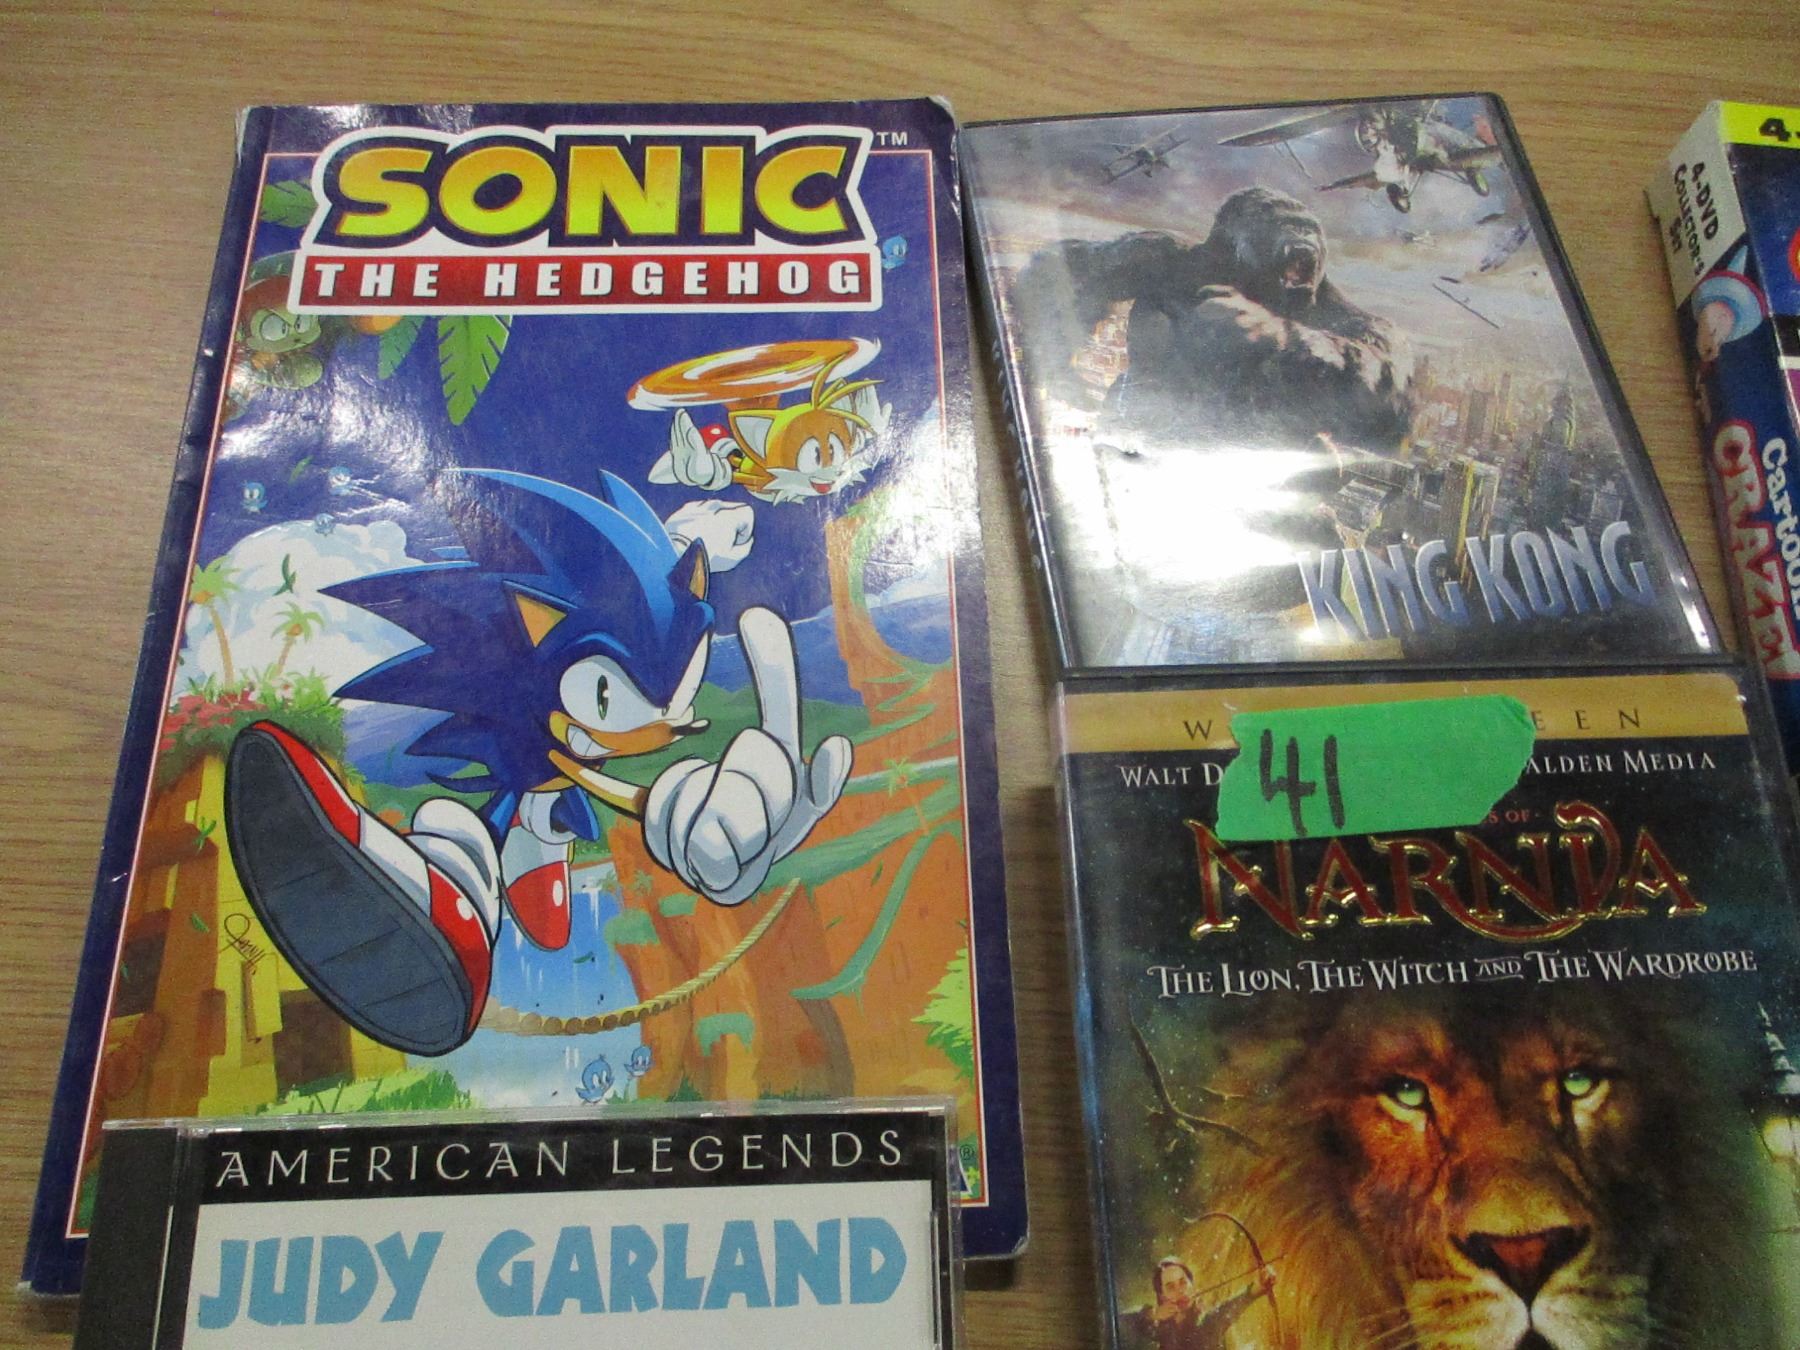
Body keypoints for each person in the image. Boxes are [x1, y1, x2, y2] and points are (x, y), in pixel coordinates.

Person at [1119, 1256, 1275, 1350]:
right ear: (1162, 1296)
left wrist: (1258, 1288)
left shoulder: (1209, 1322)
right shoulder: (1157, 1326)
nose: (1180, 1291)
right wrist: (1151, 1314)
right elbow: (1116, 1322)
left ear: (1192, 1284)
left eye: (1183, 1282)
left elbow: (1232, 1306)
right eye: (1171, 1287)